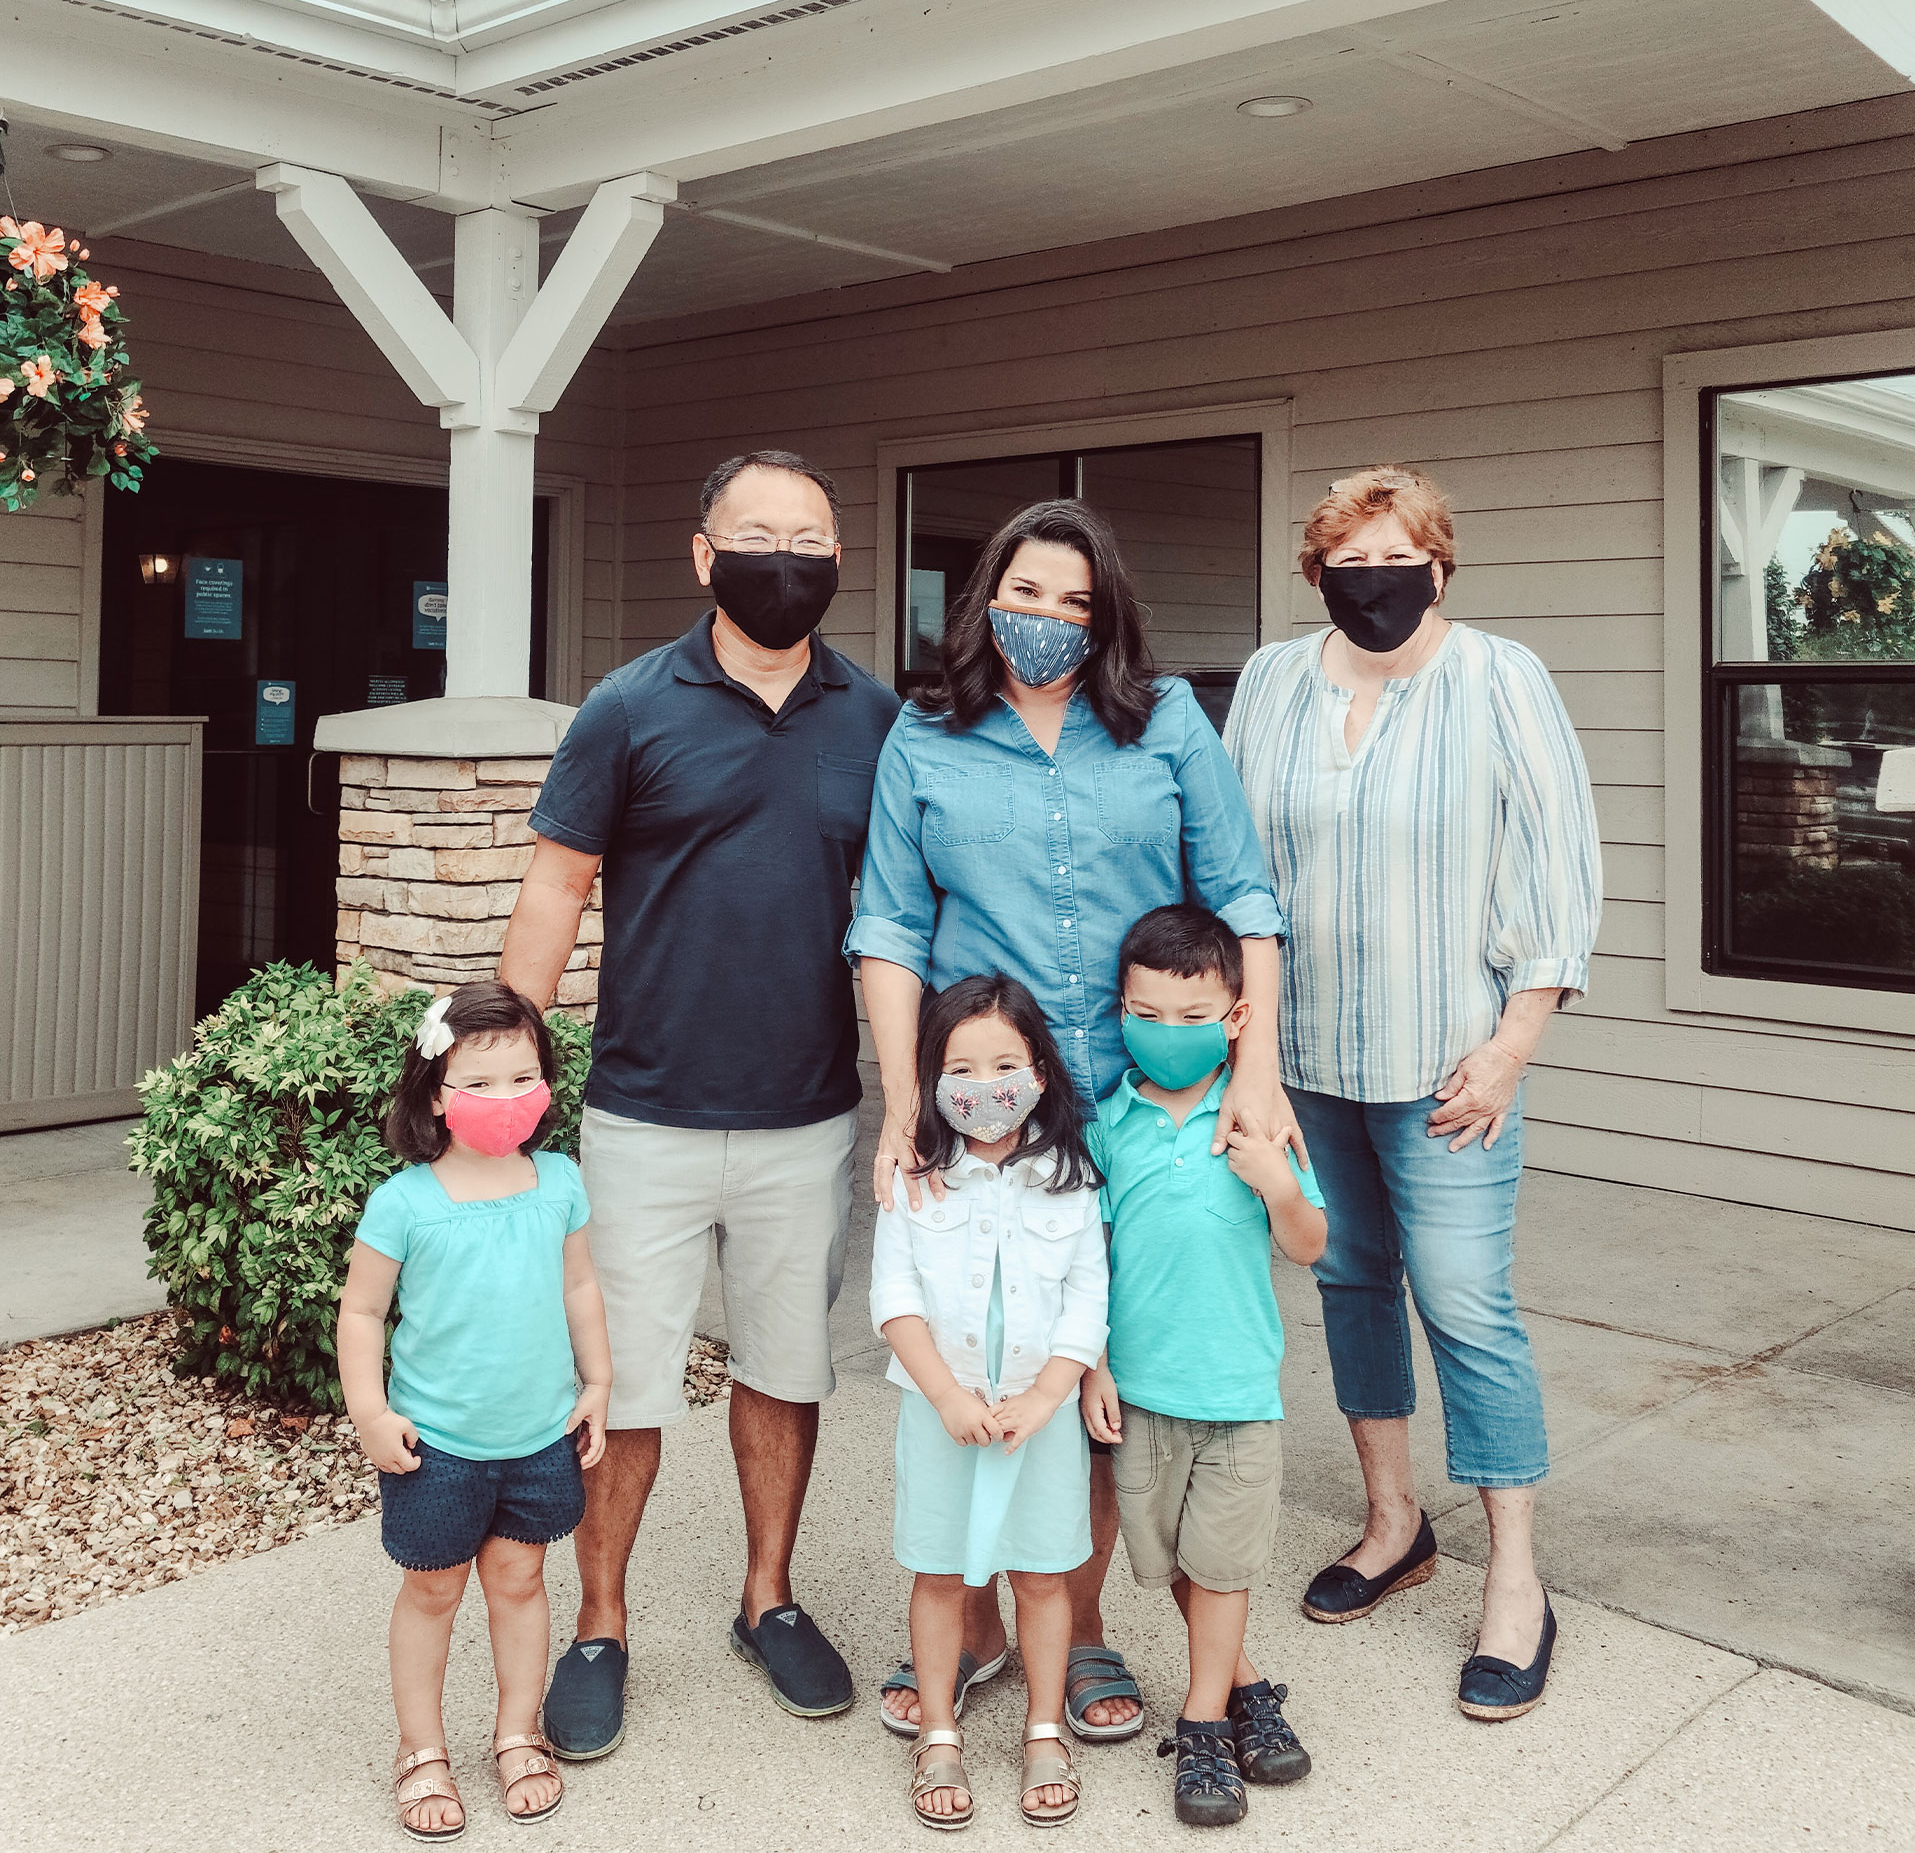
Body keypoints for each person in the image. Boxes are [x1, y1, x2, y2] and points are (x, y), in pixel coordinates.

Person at [848, 498, 1293, 1742]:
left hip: (1148, 1096)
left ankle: (1077, 1622)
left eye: (1076, 603)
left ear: (1109, 621)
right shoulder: (923, 737)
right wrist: (902, 1107)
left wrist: (1253, 1079)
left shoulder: (1168, 727)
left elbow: (1247, 900)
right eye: (1026, 593)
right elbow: (887, 926)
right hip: (990, 1104)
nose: (1046, 620)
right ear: (985, 595)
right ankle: (973, 1611)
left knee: (1099, 1367)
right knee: (976, 1338)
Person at [497, 450, 901, 1752]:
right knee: (622, 1390)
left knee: (787, 1373)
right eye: (759, 534)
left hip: (805, 1117)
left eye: (811, 537)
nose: (786, 557)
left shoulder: (876, 720)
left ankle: (768, 1599)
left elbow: (908, 911)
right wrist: (500, 1066)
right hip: (644, 1117)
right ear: (702, 553)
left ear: (839, 560)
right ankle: (601, 1623)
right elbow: (557, 887)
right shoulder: (626, 708)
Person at [1224, 465, 1602, 1721]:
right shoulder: (1276, 679)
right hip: (1308, 1060)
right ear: (1314, 573)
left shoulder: (1502, 679)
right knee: (1348, 1284)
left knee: (1465, 1304)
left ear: (1440, 567)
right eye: (1347, 562)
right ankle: (1393, 1523)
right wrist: (1248, 1054)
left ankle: (1516, 1581)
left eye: (1395, 561)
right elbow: (1234, 867)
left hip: (1449, 1064)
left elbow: (1559, 868)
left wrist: (1512, 1046)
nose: (1370, 582)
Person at [337, 982, 612, 1842]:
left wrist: (598, 1383)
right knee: (432, 1590)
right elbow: (360, 1313)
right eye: (480, 1083)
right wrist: (370, 1413)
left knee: (522, 1581)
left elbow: (579, 1286)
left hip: (536, 1437)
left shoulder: (559, 1181)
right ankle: (421, 1751)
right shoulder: (405, 1203)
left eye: (523, 1078)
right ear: (432, 1093)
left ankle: (517, 1732)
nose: (505, 1100)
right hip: (439, 1445)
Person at [1080, 907, 1326, 1828]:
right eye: (1149, 1014)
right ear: (1122, 1011)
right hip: (1140, 1392)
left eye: (1194, 1017)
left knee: (1221, 1566)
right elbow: (1089, 1261)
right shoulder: (1112, 1124)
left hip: (1237, 1394)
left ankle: (1205, 1726)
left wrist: (1276, 1181)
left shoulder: (1259, 1119)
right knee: (1173, 1558)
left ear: (1235, 1017)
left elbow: (1309, 1245)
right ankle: (1250, 1685)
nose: (1169, 1034)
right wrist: (1094, 1364)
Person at [871, 973, 1108, 1829]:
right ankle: (940, 1733)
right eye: (960, 1068)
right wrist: (945, 1395)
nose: (984, 1086)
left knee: (1044, 1575)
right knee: (938, 1573)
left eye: (1004, 1063)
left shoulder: (1071, 1178)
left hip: (1035, 1422)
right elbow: (893, 1298)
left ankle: (1045, 1729)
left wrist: (1051, 1394)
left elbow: (1089, 1297)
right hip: (942, 1415)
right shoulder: (917, 1178)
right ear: (933, 1079)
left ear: (1041, 1071)